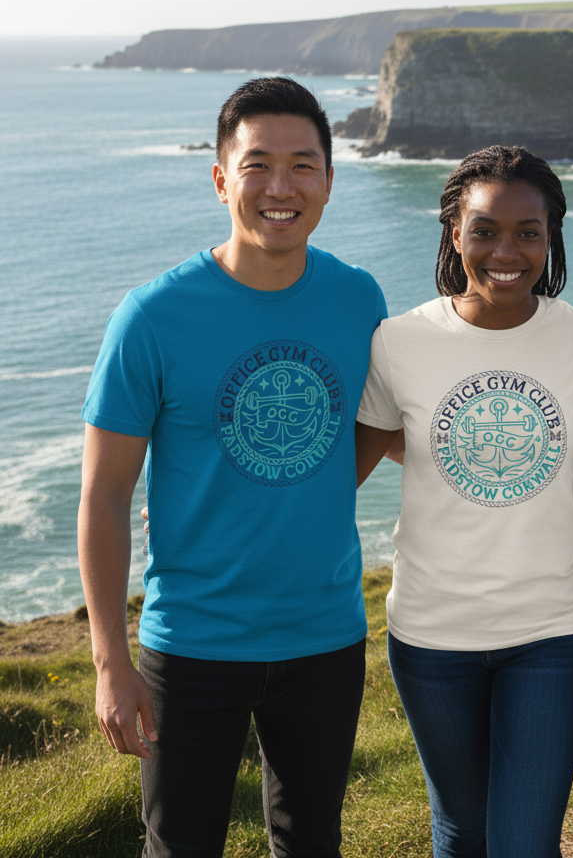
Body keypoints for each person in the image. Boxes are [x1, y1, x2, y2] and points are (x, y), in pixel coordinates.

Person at [78, 77, 386, 858]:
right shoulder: (151, 316)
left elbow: (378, 429)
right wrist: (110, 663)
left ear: (328, 181)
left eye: (303, 166)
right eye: (258, 166)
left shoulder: (359, 300)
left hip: (325, 636)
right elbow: (105, 495)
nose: (281, 187)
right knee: (180, 846)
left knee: (311, 841)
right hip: (192, 642)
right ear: (221, 180)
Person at [354, 145, 573, 858]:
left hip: (550, 632)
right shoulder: (400, 341)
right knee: (462, 831)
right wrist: (204, 503)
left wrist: (552, 534)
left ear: (551, 236)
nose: (507, 251)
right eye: (485, 230)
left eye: (528, 232)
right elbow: (346, 468)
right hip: (431, 635)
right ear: (454, 234)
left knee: (525, 843)